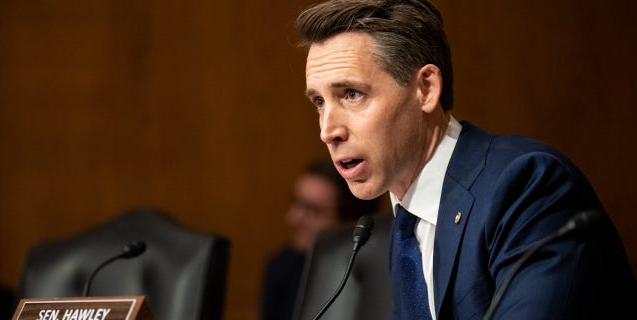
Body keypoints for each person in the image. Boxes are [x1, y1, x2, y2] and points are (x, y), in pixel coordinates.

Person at [294, 1, 637, 319]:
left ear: (426, 89)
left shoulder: (527, 186)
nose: (328, 130)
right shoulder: (404, 223)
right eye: (319, 103)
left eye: (351, 94)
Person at [260, 158, 381, 320]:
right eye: (295, 203)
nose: (293, 218)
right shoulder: (282, 266)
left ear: (353, 222)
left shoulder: (379, 277)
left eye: (312, 211)